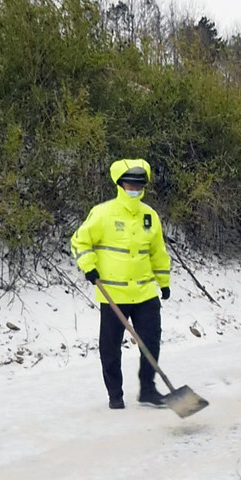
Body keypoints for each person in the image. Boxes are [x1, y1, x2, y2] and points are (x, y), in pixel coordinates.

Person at [71, 159, 172, 410]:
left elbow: (158, 252)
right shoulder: (103, 213)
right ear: (119, 184)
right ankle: (115, 394)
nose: (134, 188)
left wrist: (164, 281)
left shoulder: (150, 216)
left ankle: (148, 390)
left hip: (145, 292)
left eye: (138, 184)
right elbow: (80, 242)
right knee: (110, 347)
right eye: (129, 183)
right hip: (113, 293)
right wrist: (89, 267)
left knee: (151, 341)